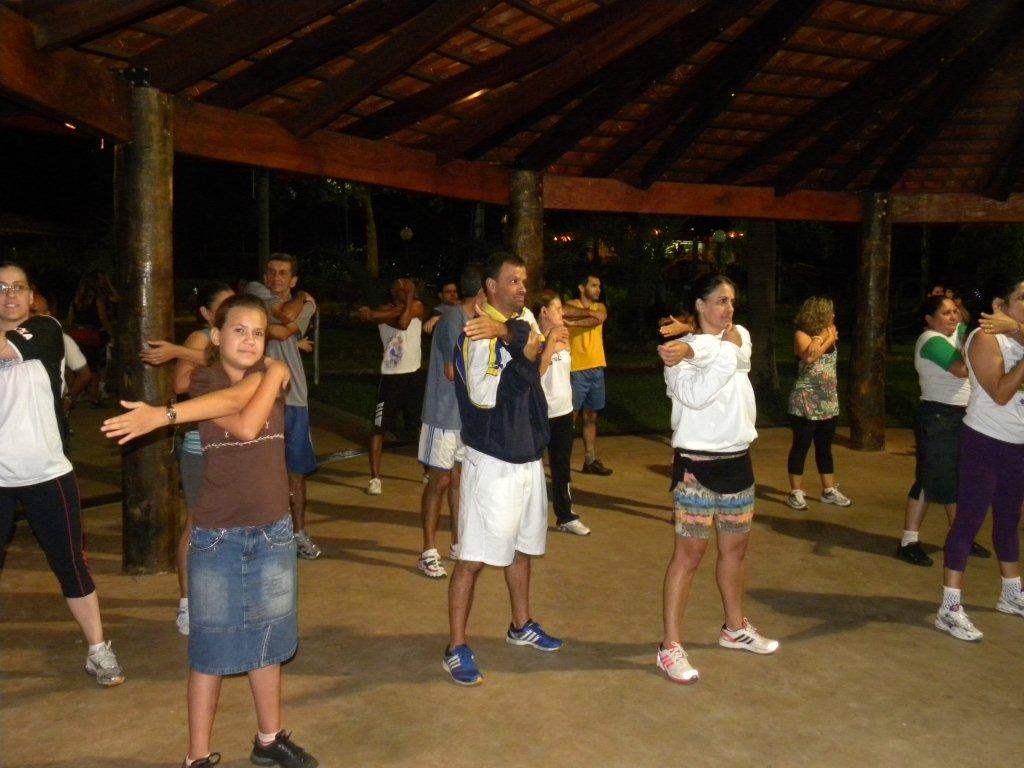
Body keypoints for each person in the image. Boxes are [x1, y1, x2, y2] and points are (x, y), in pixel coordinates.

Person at [103, 294, 318, 768]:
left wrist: (273, 373)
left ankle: (269, 739)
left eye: (258, 333)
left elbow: (249, 401)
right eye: (238, 330)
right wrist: (164, 414)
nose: (249, 340)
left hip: (274, 531)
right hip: (219, 538)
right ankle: (196, 756)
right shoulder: (205, 381)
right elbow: (243, 422)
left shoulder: (269, 374)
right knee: (210, 652)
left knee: (268, 642)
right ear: (216, 336)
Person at [0, 262, 124, 686]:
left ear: (31, 294)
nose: (10, 295)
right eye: (1, 288)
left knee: (70, 563)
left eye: (18, 287)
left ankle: (98, 649)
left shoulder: (46, 329)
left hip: (47, 472)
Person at [443, 252, 561, 686]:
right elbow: (486, 398)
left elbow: (530, 338)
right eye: (512, 281)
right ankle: (456, 646)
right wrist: (526, 358)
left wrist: (524, 343)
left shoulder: (519, 321)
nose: (521, 288)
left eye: (523, 280)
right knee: (472, 559)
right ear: (490, 286)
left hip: (527, 458)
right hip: (492, 462)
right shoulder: (477, 335)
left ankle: (520, 624)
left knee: (522, 548)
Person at [655, 274, 778, 685]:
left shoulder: (734, 337)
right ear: (700, 305)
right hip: (696, 468)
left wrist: (693, 345)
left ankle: (734, 628)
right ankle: (669, 647)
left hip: (738, 462)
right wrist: (694, 347)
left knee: (735, 552)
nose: (729, 308)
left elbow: (734, 352)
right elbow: (696, 395)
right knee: (688, 556)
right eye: (721, 301)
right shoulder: (678, 356)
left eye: (732, 301)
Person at [139, 283, 235, 634]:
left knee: (232, 522)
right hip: (202, 443)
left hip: (236, 443)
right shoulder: (201, 339)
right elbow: (180, 385)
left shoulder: (237, 338)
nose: (232, 310)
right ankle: (187, 603)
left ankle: (219, 595)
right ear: (206, 314)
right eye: (223, 306)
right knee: (197, 524)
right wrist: (207, 358)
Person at [934, 276, 1024, 642]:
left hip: (1017, 444)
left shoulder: (1017, 335)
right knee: (968, 522)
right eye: (1023, 297)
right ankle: (949, 608)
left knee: (1009, 520)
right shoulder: (984, 338)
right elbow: (1001, 393)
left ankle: (1011, 593)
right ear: (1000, 305)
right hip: (984, 441)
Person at [896, 295, 989, 565]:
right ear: (929, 319)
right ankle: (908, 541)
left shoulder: (957, 333)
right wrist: (976, 346)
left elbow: (974, 328)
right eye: (946, 312)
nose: (954, 316)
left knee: (958, 479)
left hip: (961, 416)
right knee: (929, 478)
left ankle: (960, 536)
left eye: (955, 311)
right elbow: (961, 369)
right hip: (938, 417)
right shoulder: (930, 340)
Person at [247, 254, 321, 560]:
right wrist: (300, 297)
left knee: (296, 472)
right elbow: (282, 325)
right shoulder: (255, 291)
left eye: (283, 273)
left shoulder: (307, 306)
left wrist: (284, 313)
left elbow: (285, 328)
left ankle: (298, 533)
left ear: (293, 279)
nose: (276, 278)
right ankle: (261, 534)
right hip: (260, 397)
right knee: (259, 469)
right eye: (272, 272)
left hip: (294, 397)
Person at [416, 268, 482, 578]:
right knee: (439, 480)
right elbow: (452, 371)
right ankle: (428, 551)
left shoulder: (472, 320)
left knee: (459, 480)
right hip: (442, 415)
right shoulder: (453, 319)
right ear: (482, 293)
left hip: (463, 418)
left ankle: (458, 542)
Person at [355, 278, 426, 496]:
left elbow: (403, 323)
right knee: (379, 428)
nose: (403, 289)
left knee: (420, 426)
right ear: (392, 290)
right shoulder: (385, 310)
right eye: (399, 286)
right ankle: (375, 478)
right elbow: (398, 319)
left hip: (413, 376)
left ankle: (428, 470)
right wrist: (376, 314)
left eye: (406, 286)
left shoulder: (417, 306)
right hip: (390, 378)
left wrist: (373, 315)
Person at [785, 296, 851, 510]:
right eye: (830, 312)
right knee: (801, 445)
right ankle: (796, 492)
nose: (833, 315)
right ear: (819, 314)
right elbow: (809, 358)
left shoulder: (828, 331)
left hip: (828, 400)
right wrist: (828, 340)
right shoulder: (800, 334)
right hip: (806, 400)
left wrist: (821, 337)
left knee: (824, 446)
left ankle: (828, 490)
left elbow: (825, 336)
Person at [534, 290, 590, 536]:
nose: (562, 313)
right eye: (557, 309)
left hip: (564, 412)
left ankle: (565, 516)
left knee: (561, 467)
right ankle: (530, 518)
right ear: (544, 312)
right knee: (532, 469)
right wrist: (549, 343)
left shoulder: (562, 334)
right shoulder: (532, 336)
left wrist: (552, 343)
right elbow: (537, 369)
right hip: (539, 413)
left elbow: (561, 347)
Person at [563, 273, 612, 475]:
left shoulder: (600, 307)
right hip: (576, 369)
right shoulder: (569, 304)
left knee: (591, 416)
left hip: (596, 368)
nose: (598, 289)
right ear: (582, 288)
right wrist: (588, 315)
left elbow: (598, 319)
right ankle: (561, 463)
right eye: (593, 285)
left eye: (599, 286)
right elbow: (565, 311)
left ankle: (590, 460)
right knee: (570, 418)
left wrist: (574, 322)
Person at [29, 290, 93, 425]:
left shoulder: (61, 339)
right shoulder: (9, 339)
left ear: (47, 314)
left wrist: (67, 400)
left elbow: (85, 375)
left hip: (50, 414)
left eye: (33, 311)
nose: (28, 316)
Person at [67, 268, 117, 407]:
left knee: (75, 368)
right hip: (90, 334)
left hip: (76, 334)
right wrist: (110, 331)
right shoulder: (97, 300)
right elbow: (102, 317)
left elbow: (70, 319)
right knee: (94, 368)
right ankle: (93, 397)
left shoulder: (76, 300)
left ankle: (70, 397)